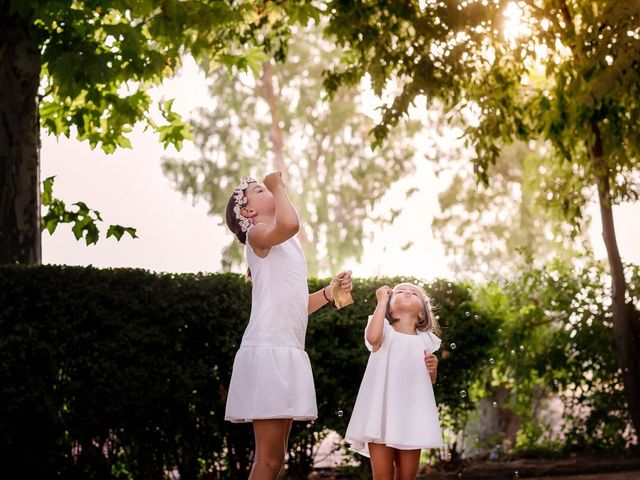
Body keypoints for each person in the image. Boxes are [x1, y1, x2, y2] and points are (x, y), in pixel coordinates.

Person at [224, 172, 352, 480]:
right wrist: (278, 185)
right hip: (268, 350)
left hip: (285, 349)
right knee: (267, 460)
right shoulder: (257, 236)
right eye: (259, 190)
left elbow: (298, 305)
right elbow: (290, 223)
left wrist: (329, 292)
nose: (266, 188)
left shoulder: (287, 244)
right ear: (248, 212)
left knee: (276, 458)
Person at [345, 283, 442, 480]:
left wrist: (433, 369)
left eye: (414, 293)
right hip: (380, 415)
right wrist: (381, 302)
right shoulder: (383, 330)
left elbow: (427, 382)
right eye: (399, 291)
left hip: (411, 417)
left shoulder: (426, 341)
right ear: (389, 307)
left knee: (407, 477)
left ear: (422, 314)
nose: (407, 292)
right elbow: (373, 338)